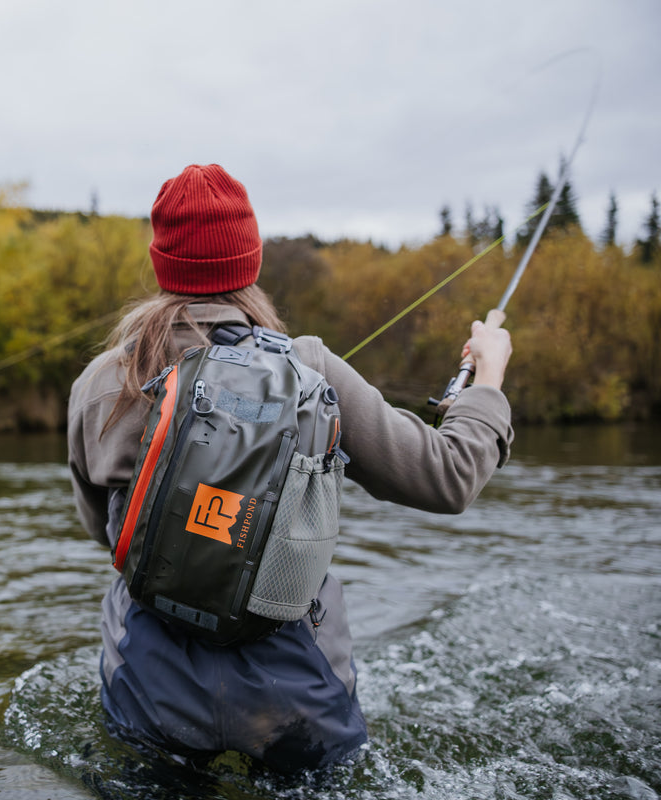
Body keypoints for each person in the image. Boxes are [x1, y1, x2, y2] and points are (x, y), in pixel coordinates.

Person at [66, 164, 514, 773]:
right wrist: (487, 376)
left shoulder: (103, 384)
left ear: (162, 264)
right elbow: (450, 475)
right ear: (249, 262)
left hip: (151, 679)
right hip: (289, 686)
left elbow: (105, 532)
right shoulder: (309, 368)